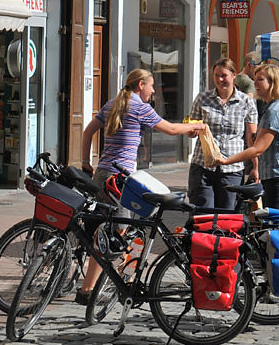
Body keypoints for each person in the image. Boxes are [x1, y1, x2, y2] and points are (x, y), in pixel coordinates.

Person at [78, 68, 205, 304]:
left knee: (106, 230)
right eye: (151, 85)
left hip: (102, 173)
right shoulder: (138, 107)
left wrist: (86, 162)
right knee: (116, 232)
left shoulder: (113, 103)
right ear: (140, 86)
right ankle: (88, 290)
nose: (154, 90)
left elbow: (87, 131)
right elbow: (171, 129)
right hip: (119, 180)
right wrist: (198, 126)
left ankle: (123, 280)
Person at [218, 63, 279, 209]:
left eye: (260, 80)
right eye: (254, 79)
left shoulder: (275, 111)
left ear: (273, 82)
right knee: (271, 223)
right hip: (273, 174)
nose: (254, 84)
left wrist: (225, 161)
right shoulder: (273, 106)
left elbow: (258, 149)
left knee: (276, 226)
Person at [187, 57, 258, 209]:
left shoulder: (246, 102)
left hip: (232, 168)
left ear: (234, 75)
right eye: (216, 75)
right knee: (203, 216)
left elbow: (252, 138)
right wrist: (191, 131)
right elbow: (191, 128)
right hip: (203, 166)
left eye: (224, 75)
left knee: (227, 218)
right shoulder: (202, 99)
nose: (220, 79)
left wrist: (255, 167)